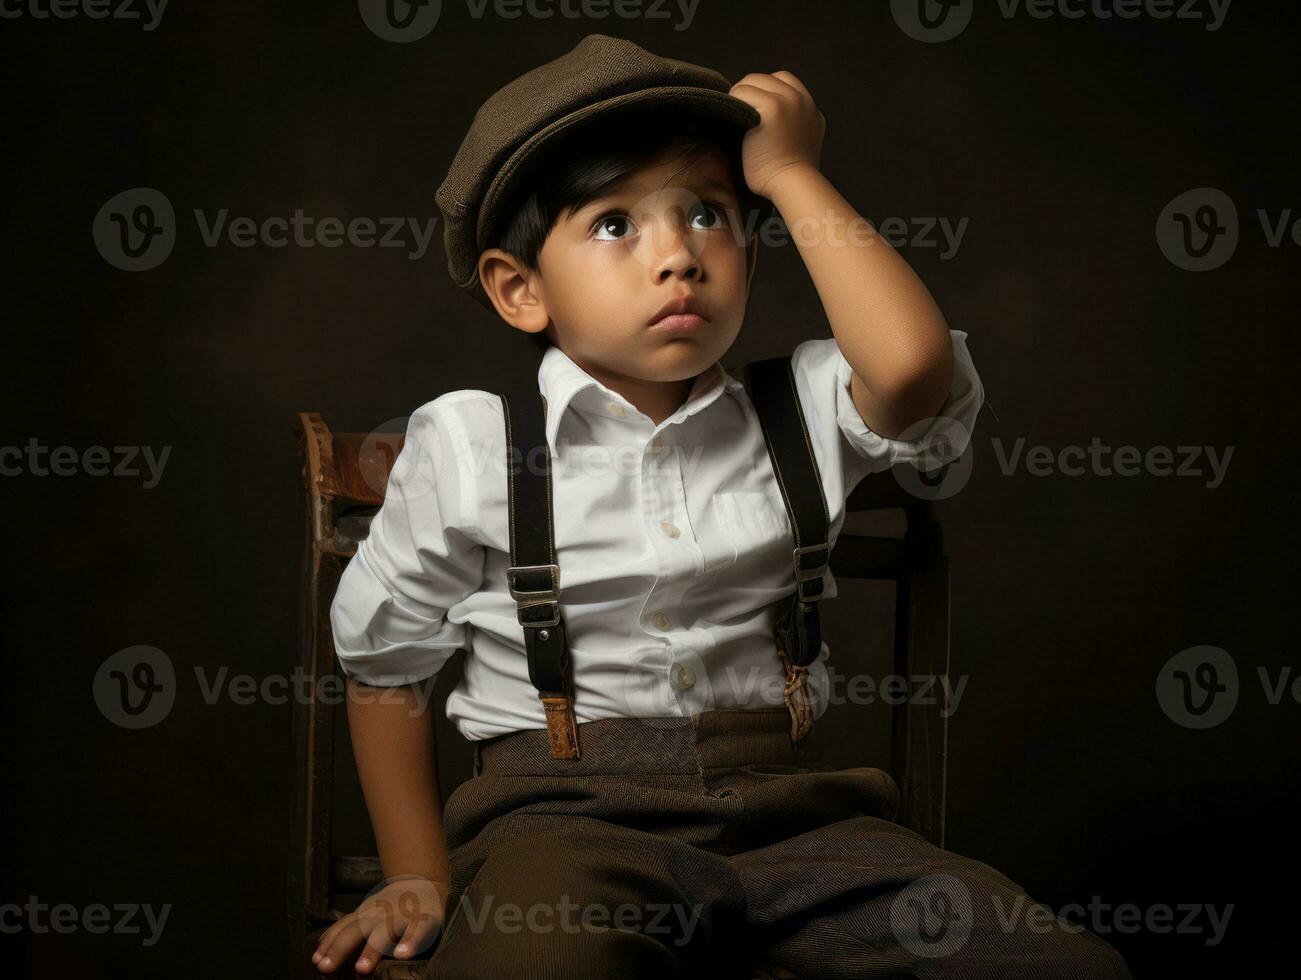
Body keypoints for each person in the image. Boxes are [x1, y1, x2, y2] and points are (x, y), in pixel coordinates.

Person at [311, 33, 1131, 979]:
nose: (677, 258)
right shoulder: (470, 447)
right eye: (614, 225)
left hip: (798, 820)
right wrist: (417, 872)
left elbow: (910, 368)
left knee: (1051, 966)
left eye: (707, 215)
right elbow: (386, 661)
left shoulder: (806, 407)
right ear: (519, 287)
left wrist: (787, 172)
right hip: (563, 827)